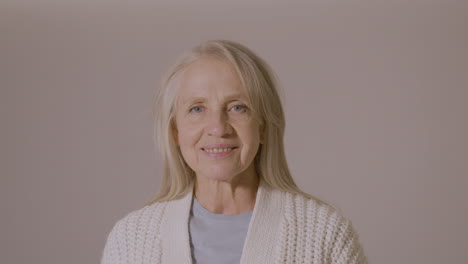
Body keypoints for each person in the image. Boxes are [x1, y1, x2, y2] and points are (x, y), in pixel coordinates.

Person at [101, 39, 368, 264]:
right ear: (175, 132)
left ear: (263, 126)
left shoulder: (324, 233)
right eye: (197, 108)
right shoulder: (130, 241)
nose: (218, 127)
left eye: (237, 107)